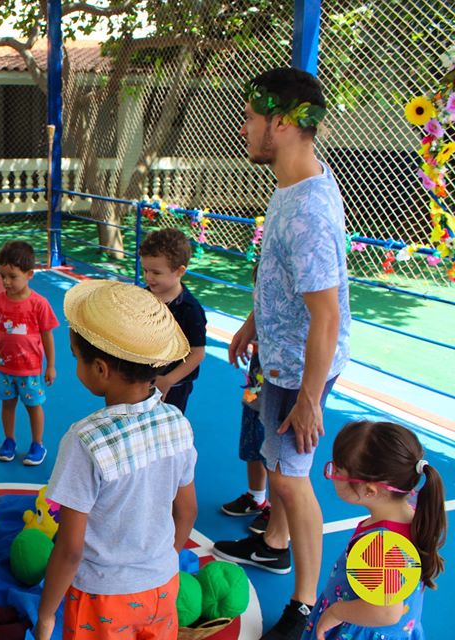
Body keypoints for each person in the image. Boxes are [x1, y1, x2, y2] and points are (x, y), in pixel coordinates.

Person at [211, 67, 351, 640]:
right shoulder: (290, 187)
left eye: (252, 116)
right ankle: (273, 544)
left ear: (287, 123)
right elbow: (281, 277)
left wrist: (311, 399)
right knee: (274, 461)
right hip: (279, 358)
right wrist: (253, 323)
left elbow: (327, 315)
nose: (244, 126)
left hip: (302, 372)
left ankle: (302, 606)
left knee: (292, 480)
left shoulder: (310, 212)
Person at [35, 280, 197, 640]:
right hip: (162, 587)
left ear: (101, 369)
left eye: (76, 357)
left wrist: (46, 615)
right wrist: (158, 565)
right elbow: (186, 512)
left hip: (103, 599)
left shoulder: (84, 440)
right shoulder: (177, 422)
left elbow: (71, 548)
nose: (75, 364)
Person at [304, 420, 446, 640]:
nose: (332, 475)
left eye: (337, 471)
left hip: (357, 630)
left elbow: (387, 612)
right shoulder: (412, 514)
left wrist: (336, 612)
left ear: (369, 490)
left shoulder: (381, 546)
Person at [0, 240, 58, 466]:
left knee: (34, 406)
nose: (6, 282)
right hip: (3, 368)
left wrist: (51, 365)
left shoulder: (39, 304)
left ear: (29, 274)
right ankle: (9, 441)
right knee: (7, 404)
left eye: (12, 276)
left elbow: (47, 336)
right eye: (2, 276)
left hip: (30, 370)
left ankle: (37, 444)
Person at [221, 263, 270, 534]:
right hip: (256, 385)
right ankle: (256, 496)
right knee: (252, 440)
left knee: (273, 450)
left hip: (278, 390)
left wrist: (262, 345)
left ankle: (276, 510)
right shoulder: (263, 308)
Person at [138, 228, 207, 414]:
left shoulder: (190, 310)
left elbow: (197, 353)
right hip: (140, 378)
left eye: (156, 273)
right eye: (145, 270)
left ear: (179, 271)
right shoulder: (141, 297)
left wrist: (168, 379)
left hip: (173, 386)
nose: (148, 277)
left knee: (165, 428)